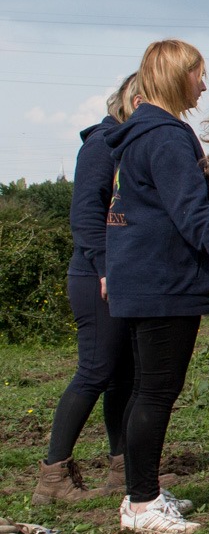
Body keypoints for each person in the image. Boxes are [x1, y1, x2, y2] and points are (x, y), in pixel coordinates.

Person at [103, 41, 209, 534]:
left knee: (144, 389)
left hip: (138, 276)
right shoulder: (168, 137)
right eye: (198, 75)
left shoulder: (135, 134)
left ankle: (139, 492)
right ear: (177, 76)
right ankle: (144, 503)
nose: (204, 85)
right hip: (164, 280)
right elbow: (193, 212)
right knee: (156, 391)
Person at [33, 73, 141, 505]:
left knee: (122, 377)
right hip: (95, 277)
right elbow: (84, 216)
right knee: (95, 371)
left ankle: (122, 469)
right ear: (133, 101)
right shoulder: (101, 145)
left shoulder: (125, 143)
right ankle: (52, 478)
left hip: (115, 275)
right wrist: (104, 269)